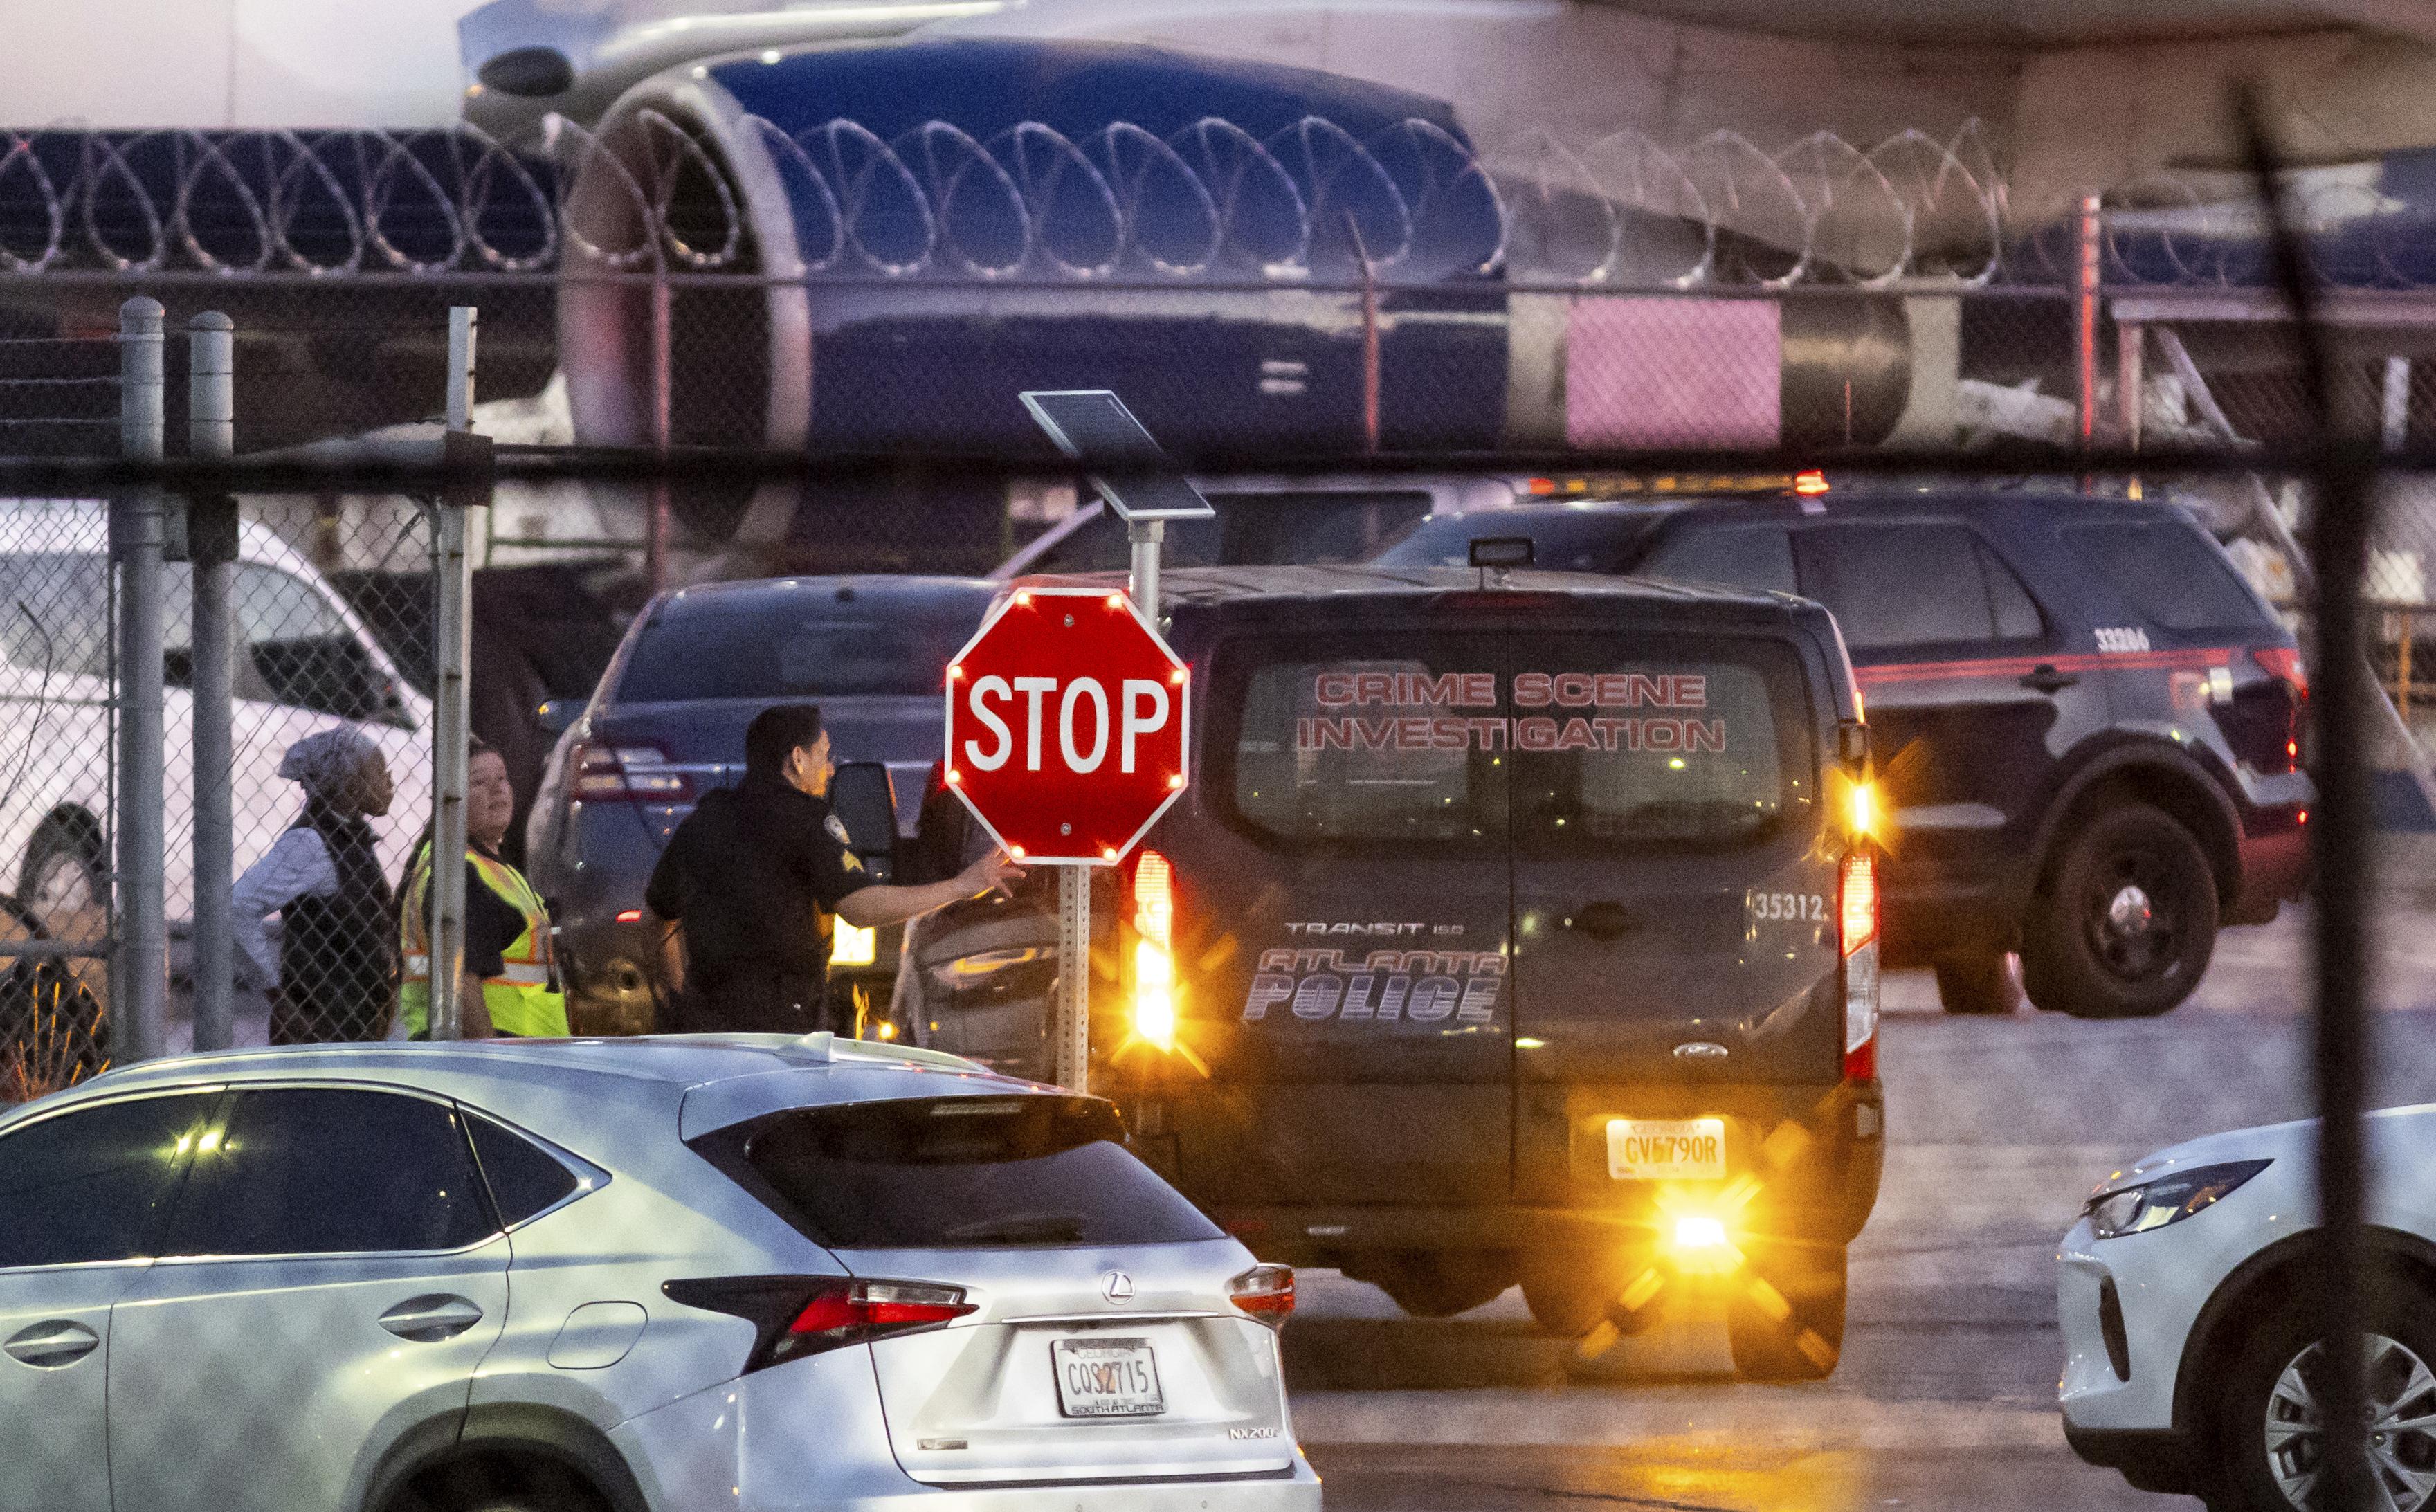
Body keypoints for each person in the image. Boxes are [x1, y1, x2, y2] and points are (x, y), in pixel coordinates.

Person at [646, 704, 1022, 1035]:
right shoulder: (807, 822)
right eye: (824, 756)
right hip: (782, 1030)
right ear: (797, 759)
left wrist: (682, 998)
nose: (829, 770)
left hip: (705, 1030)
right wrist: (962, 885)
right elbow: (860, 907)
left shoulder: (705, 819)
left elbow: (657, 918)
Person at [232, 727, 398, 1044]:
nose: (390, 782)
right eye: (380, 771)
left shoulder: (351, 837)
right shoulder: (309, 843)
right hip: (319, 1033)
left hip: (352, 1027)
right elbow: (239, 906)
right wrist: (279, 999)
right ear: (351, 781)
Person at [397, 739, 570, 1039]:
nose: (497, 789)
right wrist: (488, 1056)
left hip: (523, 1048)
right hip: (496, 1050)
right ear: (450, 797)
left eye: (502, 778)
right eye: (478, 781)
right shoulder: (459, 871)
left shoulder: (492, 867)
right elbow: (463, 981)